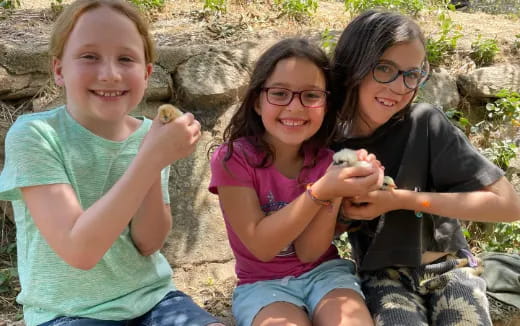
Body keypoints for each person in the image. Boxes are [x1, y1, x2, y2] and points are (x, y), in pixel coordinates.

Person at [0, 1, 224, 325]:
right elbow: (80, 252)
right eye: (89, 56)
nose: (110, 74)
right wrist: (150, 158)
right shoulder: (35, 135)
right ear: (59, 69)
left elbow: (148, 242)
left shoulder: (152, 134)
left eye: (126, 58)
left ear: (146, 74)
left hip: (154, 301)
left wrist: (153, 155)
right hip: (69, 312)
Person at [330, 10, 520, 326]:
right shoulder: (330, 147)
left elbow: (509, 206)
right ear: (354, 65)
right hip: (382, 276)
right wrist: (348, 211)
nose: (399, 86)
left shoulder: (426, 123)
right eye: (384, 69)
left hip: (452, 266)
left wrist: (401, 200)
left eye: (412, 73)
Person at [209, 38, 380, 326]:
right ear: (257, 102)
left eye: (311, 96)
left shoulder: (329, 160)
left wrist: (347, 183)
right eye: (279, 93)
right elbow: (262, 247)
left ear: (326, 104)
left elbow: (310, 252)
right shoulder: (233, 159)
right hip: (263, 285)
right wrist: (324, 189)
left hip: (326, 274)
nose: (295, 107)